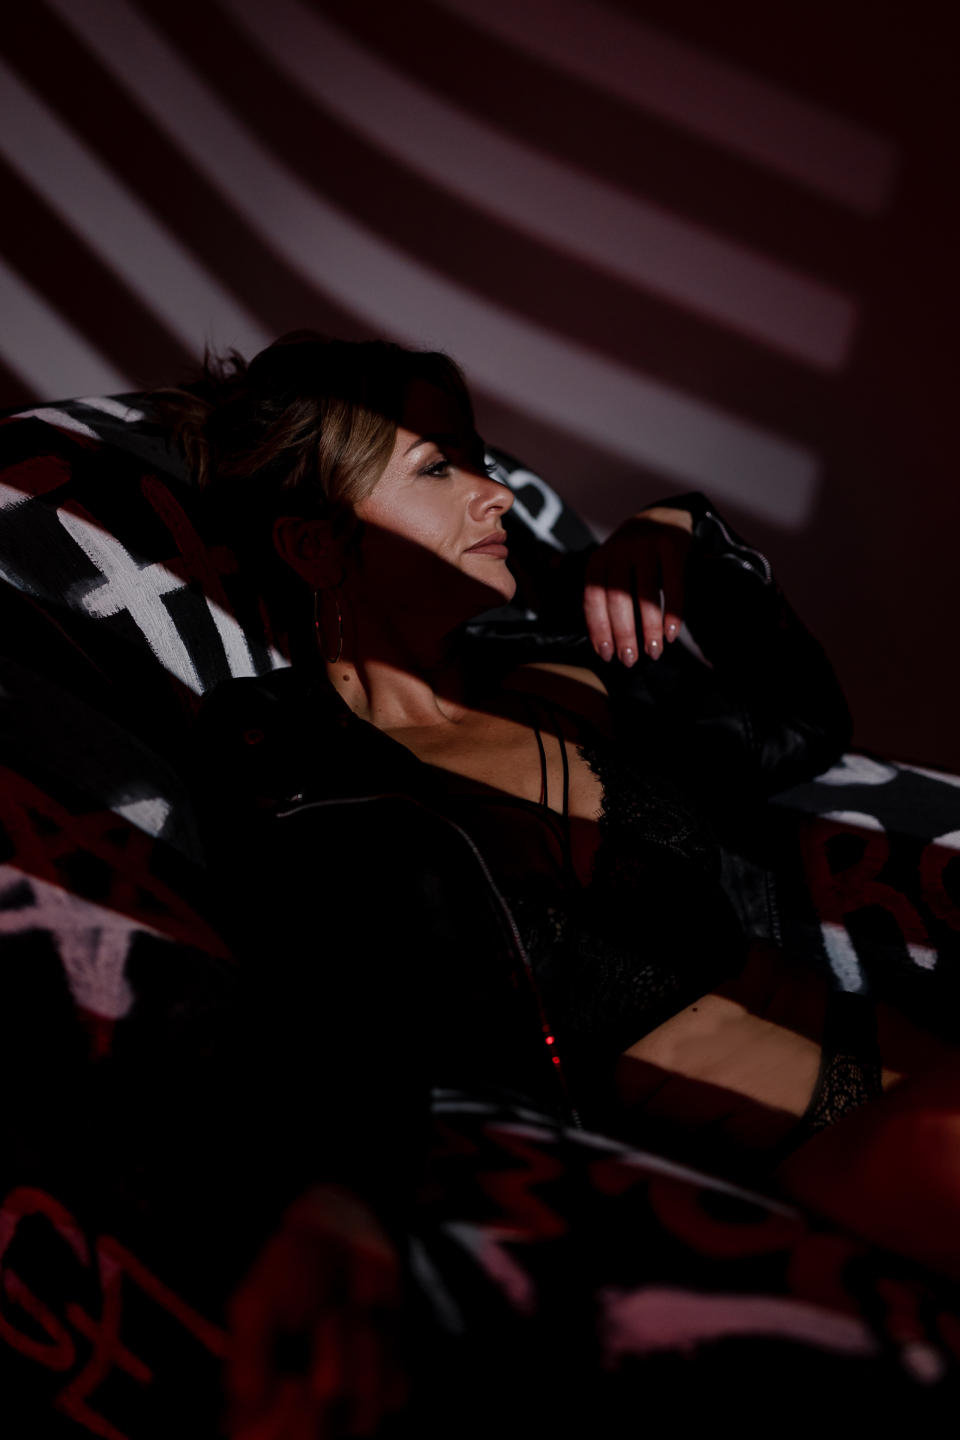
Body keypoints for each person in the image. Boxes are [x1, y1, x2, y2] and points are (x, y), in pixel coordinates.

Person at [171, 332, 959, 1434]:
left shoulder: (561, 667)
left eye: (477, 454)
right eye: (438, 466)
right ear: (316, 544)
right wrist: (337, 1194)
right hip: (757, 1164)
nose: (496, 492)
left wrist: (688, 535)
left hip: (906, 1057)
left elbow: (800, 730)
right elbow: (323, 994)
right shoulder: (294, 762)